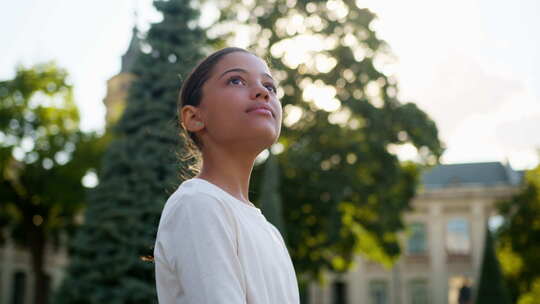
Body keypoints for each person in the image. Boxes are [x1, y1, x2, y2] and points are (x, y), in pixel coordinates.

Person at [153, 47, 300, 304]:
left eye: (270, 86)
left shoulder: (271, 233)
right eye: (236, 80)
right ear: (194, 117)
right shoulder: (197, 203)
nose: (262, 92)